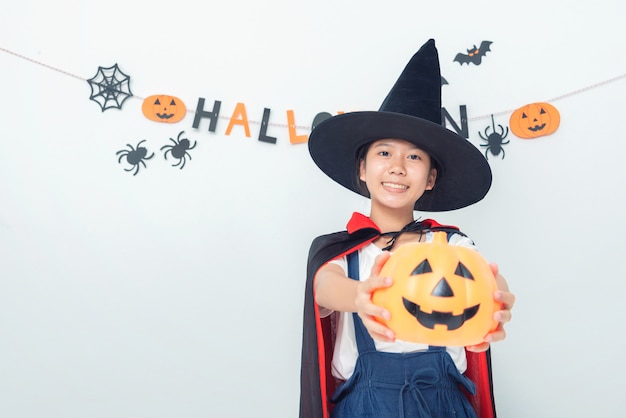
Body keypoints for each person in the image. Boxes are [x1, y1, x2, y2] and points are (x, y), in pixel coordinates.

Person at [299, 39, 515, 418]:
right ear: (362, 169)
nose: (398, 166)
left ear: (430, 178)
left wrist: (495, 304)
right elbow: (324, 286)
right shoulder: (340, 249)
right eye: (384, 152)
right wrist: (362, 297)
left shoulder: (450, 243)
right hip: (365, 405)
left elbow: (484, 281)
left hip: (443, 403)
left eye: (414, 156)